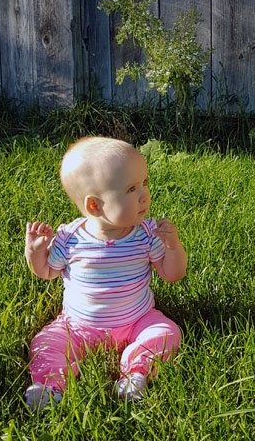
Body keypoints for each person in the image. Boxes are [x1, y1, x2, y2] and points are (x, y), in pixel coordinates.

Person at [24, 136, 186, 412]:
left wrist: (173, 246)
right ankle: (50, 387)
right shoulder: (69, 238)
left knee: (168, 332)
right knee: (44, 343)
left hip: (138, 319)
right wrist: (35, 254)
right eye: (132, 189)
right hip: (77, 326)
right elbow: (48, 272)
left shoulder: (146, 234)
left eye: (144, 184)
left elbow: (172, 274)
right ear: (94, 206)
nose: (144, 195)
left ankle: (136, 374)